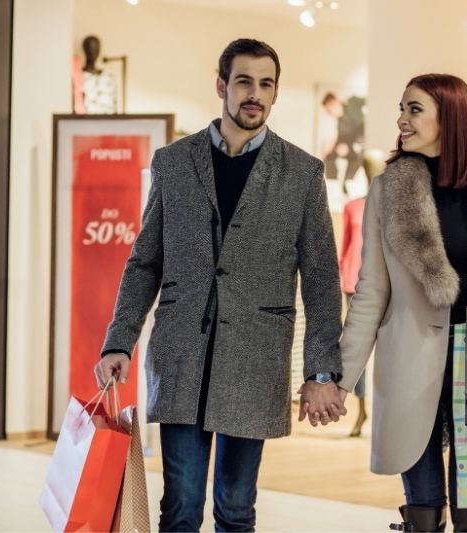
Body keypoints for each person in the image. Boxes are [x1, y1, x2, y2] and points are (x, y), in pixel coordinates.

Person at [94, 38, 345, 533]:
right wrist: (119, 338)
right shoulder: (173, 162)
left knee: (235, 508)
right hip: (183, 354)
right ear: (221, 86)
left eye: (266, 84)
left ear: (275, 94)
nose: (255, 93)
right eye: (244, 81)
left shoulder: (301, 173)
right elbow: (145, 261)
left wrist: (322, 370)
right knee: (181, 505)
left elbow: (321, 279)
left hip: (255, 361)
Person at [335, 74, 467, 532]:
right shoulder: (388, 190)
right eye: (401, 109)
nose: (401, 119)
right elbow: (371, 293)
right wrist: (339, 380)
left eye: (414, 109)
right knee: (422, 508)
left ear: (450, 116)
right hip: (410, 364)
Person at [338, 151, 385, 437]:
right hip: (352, 283)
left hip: (380, 285)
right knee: (355, 347)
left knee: (386, 348)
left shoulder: (390, 206)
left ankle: (379, 410)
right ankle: (360, 408)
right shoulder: (352, 207)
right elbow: (345, 247)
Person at [322, 93, 366, 189]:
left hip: (363, 137)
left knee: (357, 151)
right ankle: (334, 184)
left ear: (336, 102)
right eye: (329, 111)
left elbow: (370, 101)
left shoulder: (352, 101)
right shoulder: (340, 124)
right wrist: (334, 147)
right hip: (352, 146)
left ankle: (348, 181)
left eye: (331, 108)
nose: (331, 112)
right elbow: (342, 140)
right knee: (329, 155)